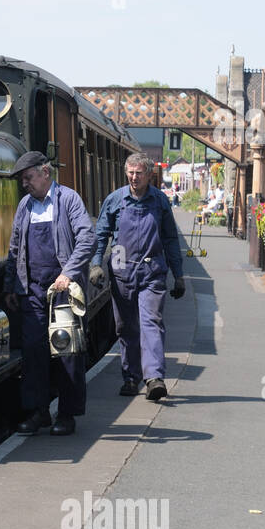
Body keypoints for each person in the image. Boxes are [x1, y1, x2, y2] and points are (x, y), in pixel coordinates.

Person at [3, 151, 94, 435]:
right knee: (33, 351)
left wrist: (68, 273)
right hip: (32, 289)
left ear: (45, 172)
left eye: (28, 178)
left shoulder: (68, 200)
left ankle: (66, 414)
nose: (25, 184)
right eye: (22, 180)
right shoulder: (24, 206)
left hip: (62, 290)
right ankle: (39, 411)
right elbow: (15, 248)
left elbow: (87, 238)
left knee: (67, 349)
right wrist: (10, 286)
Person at [90, 154, 185, 401]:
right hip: (122, 272)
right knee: (126, 327)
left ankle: (154, 377)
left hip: (152, 272)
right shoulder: (115, 200)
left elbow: (170, 239)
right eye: (130, 172)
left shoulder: (160, 201)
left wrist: (179, 275)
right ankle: (131, 378)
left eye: (138, 173)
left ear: (149, 175)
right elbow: (101, 235)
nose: (134, 177)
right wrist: (95, 264)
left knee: (151, 322)